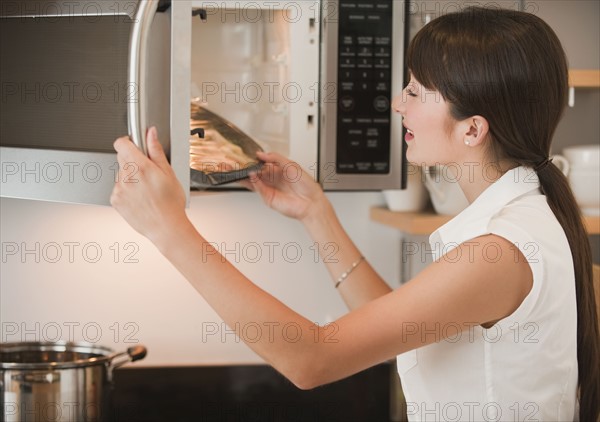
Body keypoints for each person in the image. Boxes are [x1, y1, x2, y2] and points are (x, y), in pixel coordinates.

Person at [111, 6, 599, 422]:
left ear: (472, 129)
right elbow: (406, 333)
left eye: (415, 90)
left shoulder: (498, 252)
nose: (396, 104)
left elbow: (311, 359)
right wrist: (317, 215)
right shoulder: (523, 221)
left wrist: (170, 230)